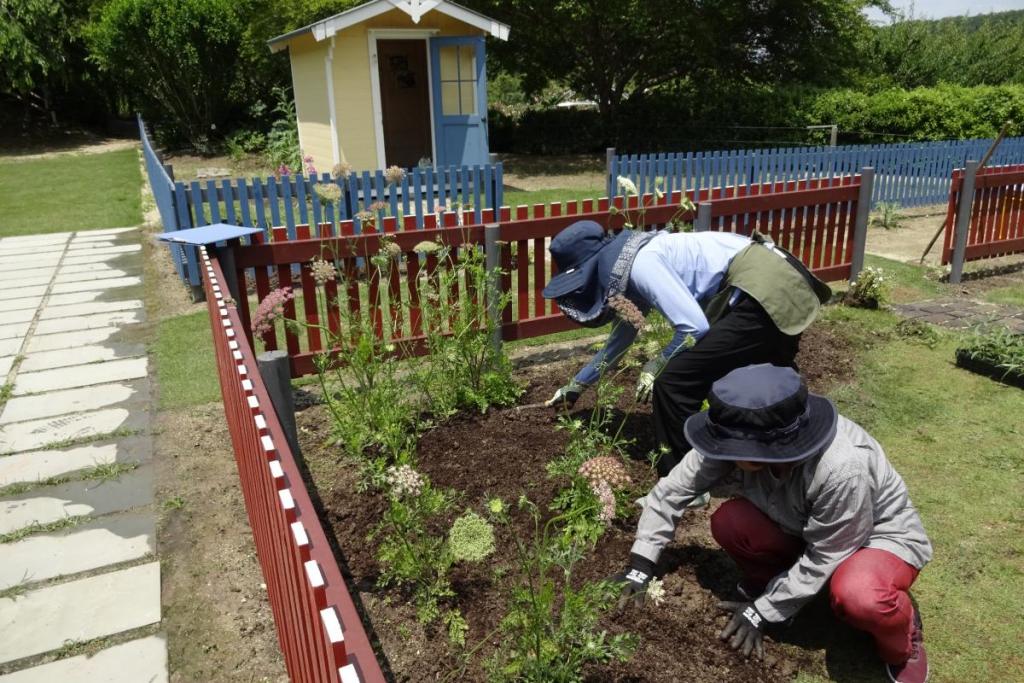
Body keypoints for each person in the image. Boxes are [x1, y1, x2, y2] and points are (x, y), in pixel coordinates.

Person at [612, 364, 933, 683]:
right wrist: (641, 563)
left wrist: (761, 611)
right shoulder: (733, 434)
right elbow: (670, 492)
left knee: (858, 595)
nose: (719, 455)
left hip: (874, 539)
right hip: (810, 530)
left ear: (767, 452)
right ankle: (783, 593)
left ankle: (904, 635)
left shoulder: (841, 466)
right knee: (731, 522)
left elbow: (828, 553)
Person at [540, 220, 832, 477]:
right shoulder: (637, 261)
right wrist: (576, 385)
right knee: (764, 378)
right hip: (775, 281)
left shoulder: (644, 264)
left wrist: (657, 365)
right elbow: (620, 340)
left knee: (674, 382)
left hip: (763, 287)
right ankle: (800, 452)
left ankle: (681, 482)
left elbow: (694, 327)